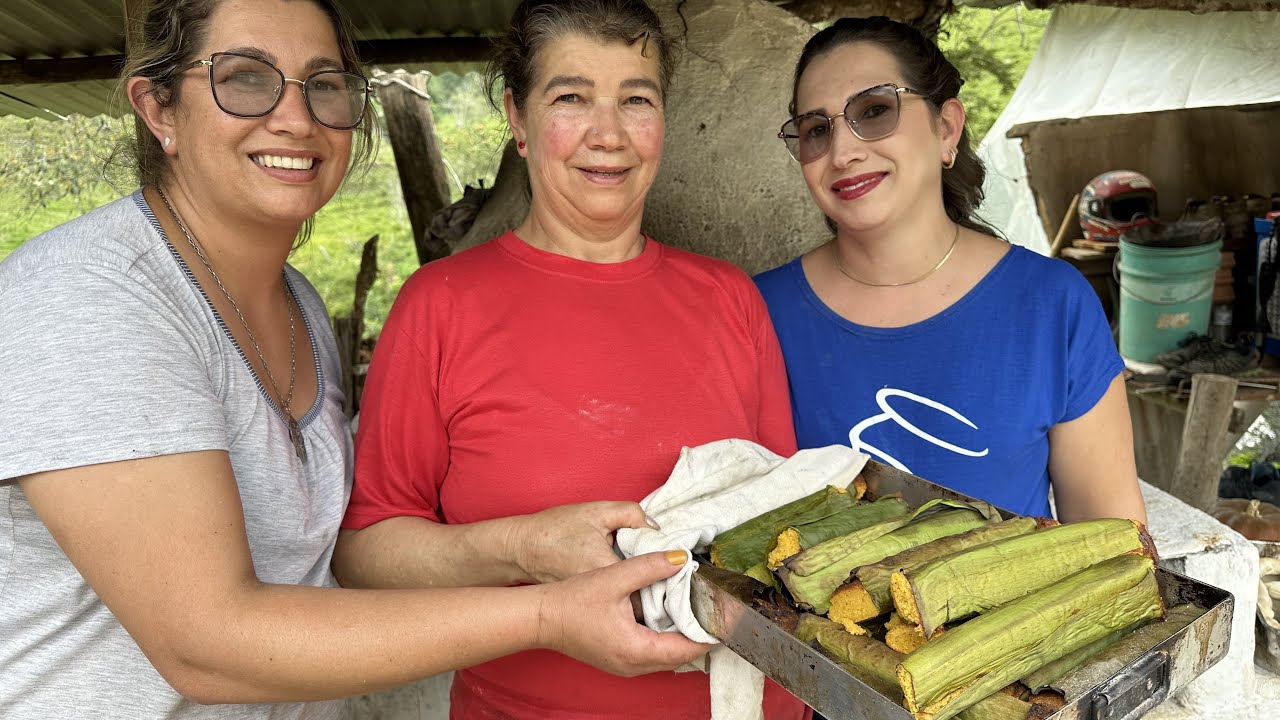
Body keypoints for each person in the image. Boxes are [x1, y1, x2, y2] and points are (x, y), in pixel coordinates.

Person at [0, 1, 710, 717]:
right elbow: (203, 641)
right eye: (245, 79)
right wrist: (546, 615)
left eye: (324, 84)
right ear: (159, 108)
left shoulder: (297, 306)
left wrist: (529, 548)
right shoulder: (87, 296)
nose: (295, 118)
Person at [332, 1, 808, 718]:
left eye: (636, 99)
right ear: (518, 120)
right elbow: (366, 554)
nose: (608, 134)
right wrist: (523, 547)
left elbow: (782, 522)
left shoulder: (728, 299)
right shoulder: (443, 304)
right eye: (571, 98)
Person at [754, 17, 1147, 525]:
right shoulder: (757, 311)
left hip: (1018, 604)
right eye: (816, 130)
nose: (843, 152)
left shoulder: (1050, 305)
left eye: (875, 111)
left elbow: (1111, 541)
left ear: (946, 129)